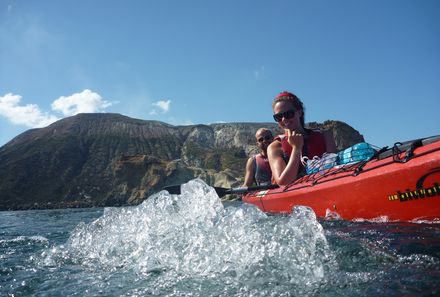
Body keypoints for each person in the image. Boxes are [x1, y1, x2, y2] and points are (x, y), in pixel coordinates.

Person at [267, 91, 337, 186]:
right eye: (278, 117)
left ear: (299, 112)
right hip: (293, 197)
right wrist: (296, 148)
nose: (284, 119)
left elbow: (335, 169)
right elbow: (283, 183)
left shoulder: (325, 136)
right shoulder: (275, 147)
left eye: (289, 114)